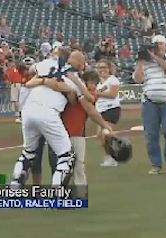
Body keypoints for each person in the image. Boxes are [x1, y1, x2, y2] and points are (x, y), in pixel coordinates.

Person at [10, 51, 112, 188]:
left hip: (28, 109)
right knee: (66, 156)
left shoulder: (49, 63)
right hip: (49, 113)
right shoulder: (76, 79)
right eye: (83, 64)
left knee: (28, 152)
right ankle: (57, 191)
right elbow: (89, 102)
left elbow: (31, 70)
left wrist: (43, 80)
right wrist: (70, 88)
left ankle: (15, 184)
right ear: (80, 64)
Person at [133, 35, 166, 175]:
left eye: (161, 44)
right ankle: (156, 164)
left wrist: (153, 57)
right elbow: (138, 80)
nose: (158, 47)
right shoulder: (145, 63)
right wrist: (141, 61)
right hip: (149, 103)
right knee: (151, 135)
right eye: (155, 44)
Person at [95, 59, 121, 167]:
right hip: (100, 111)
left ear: (109, 69)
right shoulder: (97, 82)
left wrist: (96, 93)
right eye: (99, 68)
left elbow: (113, 94)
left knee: (105, 134)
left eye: (104, 67)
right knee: (100, 136)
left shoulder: (113, 80)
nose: (102, 70)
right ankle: (114, 149)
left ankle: (112, 157)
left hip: (111, 109)